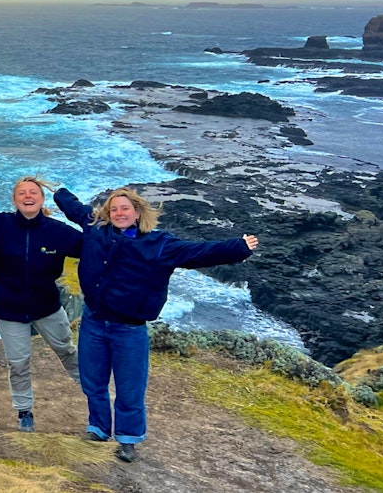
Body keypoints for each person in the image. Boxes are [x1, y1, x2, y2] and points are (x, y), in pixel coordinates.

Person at [53, 185, 258, 463]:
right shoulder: (96, 228)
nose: (118, 213)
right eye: (113, 209)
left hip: (129, 328)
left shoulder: (158, 244)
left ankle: (127, 439)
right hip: (94, 322)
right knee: (93, 381)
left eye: (125, 208)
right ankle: (98, 428)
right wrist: (58, 191)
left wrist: (238, 247)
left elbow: (198, 252)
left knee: (130, 388)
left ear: (137, 212)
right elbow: (74, 209)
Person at [0, 176, 83, 433]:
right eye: (22, 193)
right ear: (14, 200)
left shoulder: (58, 231)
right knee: (18, 362)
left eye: (33, 192)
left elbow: (94, 247)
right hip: (8, 309)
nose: (28, 196)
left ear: (42, 200)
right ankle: (24, 411)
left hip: (47, 307)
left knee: (67, 351)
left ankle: (95, 398)